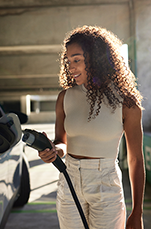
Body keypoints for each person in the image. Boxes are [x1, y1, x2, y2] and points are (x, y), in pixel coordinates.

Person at [38, 25, 145, 229]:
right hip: (69, 181)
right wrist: (53, 150)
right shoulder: (64, 98)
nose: (71, 67)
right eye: (68, 61)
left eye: (76, 60)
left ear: (96, 59)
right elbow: (63, 143)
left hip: (106, 183)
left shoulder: (127, 103)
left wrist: (137, 211)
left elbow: (135, 159)